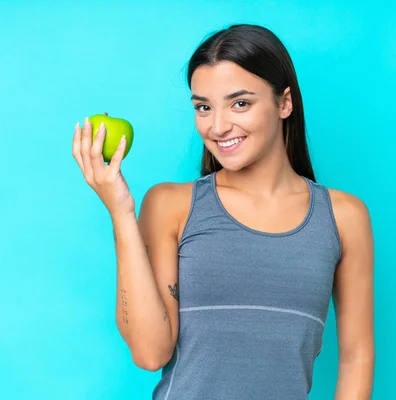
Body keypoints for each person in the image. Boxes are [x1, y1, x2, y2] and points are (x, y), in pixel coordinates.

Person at [72, 23, 374, 400]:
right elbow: (150, 353)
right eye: (203, 107)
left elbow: (356, 356)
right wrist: (120, 211)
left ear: (284, 103)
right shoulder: (171, 205)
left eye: (240, 103)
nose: (217, 126)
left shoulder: (344, 217)